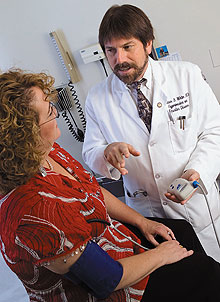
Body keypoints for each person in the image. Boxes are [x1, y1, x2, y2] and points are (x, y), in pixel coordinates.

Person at [1, 70, 220, 302]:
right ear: (25, 133)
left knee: (182, 231)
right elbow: (105, 279)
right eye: (49, 112)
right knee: (204, 274)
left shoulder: (49, 152)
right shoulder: (36, 209)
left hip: (112, 241)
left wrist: (143, 222)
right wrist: (161, 256)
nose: (56, 112)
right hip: (108, 283)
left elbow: (92, 191)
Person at [82, 4, 220, 262]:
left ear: (147, 43)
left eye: (127, 47)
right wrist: (106, 153)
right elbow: (91, 152)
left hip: (196, 206)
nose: (119, 59)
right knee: (181, 282)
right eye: (111, 51)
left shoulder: (186, 75)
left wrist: (197, 171)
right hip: (147, 214)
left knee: (214, 269)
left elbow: (215, 131)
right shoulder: (98, 97)